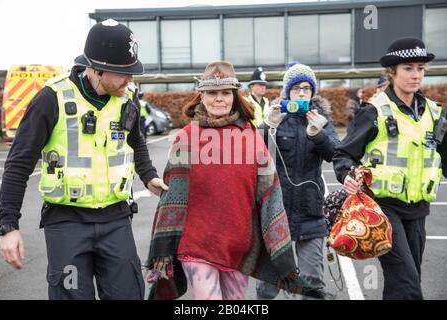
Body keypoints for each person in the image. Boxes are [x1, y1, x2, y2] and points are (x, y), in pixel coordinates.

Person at [0, 19, 168, 300]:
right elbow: (18, 164)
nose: (131, 80)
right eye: (124, 73)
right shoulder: (51, 99)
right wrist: (8, 226)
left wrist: (148, 175)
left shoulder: (128, 100)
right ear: (98, 69)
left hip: (116, 220)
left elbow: (136, 141)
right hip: (66, 225)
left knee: (128, 294)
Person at [146, 61, 314, 300]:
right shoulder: (186, 137)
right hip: (196, 244)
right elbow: (172, 197)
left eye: (226, 93)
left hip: (238, 245)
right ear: (201, 96)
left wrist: (279, 247)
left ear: (234, 96)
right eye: (212, 93)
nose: (219, 99)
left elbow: (270, 193)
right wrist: (163, 249)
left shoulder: (250, 136)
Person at [333, 37, 447, 299]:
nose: (416, 75)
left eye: (420, 68)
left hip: (418, 211)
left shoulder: (435, 113)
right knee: (407, 282)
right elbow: (343, 153)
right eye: (408, 68)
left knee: (406, 280)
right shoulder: (373, 111)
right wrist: (347, 174)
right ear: (392, 72)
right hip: (384, 209)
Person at [256, 62, 340, 300]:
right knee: (268, 285)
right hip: (276, 210)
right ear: (287, 92)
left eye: (306, 88)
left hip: (310, 211)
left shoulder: (321, 119)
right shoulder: (277, 117)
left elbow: (335, 154)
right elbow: (254, 154)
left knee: (312, 282)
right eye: (296, 88)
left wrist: (319, 134)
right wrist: (266, 127)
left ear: (313, 92)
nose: (301, 93)